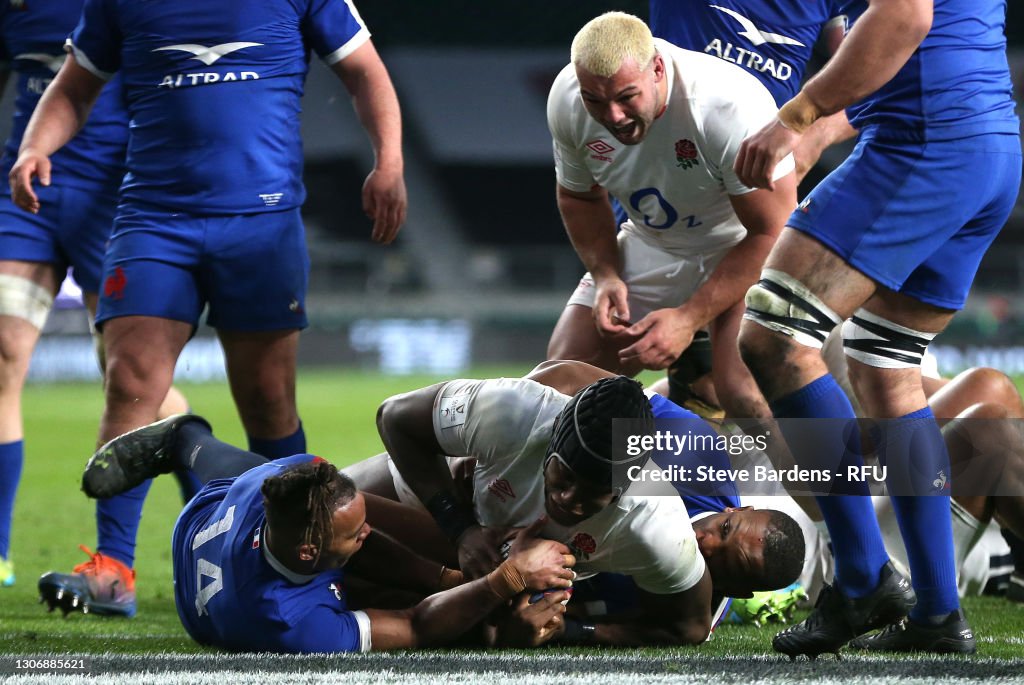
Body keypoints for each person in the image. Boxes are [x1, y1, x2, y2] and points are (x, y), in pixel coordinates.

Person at [10, 0, 406, 614]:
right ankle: (114, 570)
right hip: (151, 220)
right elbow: (72, 88)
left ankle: (294, 563)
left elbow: (366, 73)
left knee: (268, 401)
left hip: (261, 222)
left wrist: (389, 161)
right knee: (130, 382)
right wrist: (37, 146)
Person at [734, 0, 1020, 657]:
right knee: (885, 366)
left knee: (775, 333)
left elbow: (904, 17)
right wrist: (824, 123)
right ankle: (939, 613)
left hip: (924, 141)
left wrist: (795, 116)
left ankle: (862, 577)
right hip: (987, 144)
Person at [372, 368, 805, 646]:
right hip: (474, 486)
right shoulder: (697, 452)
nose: (705, 541)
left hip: (486, 560)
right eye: (724, 532)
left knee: (396, 593)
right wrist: (500, 449)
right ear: (734, 511)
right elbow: (573, 379)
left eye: (724, 564)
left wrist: (564, 628)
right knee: (324, 497)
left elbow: (557, 613)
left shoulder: (667, 559)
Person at [73, 415, 574, 652]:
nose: (368, 531)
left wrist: (448, 577)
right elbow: (417, 625)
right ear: (311, 550)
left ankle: (185, 438)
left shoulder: (282, 491)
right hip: (233, 588)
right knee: (479, 627)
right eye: (354, 534)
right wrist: (503, 581)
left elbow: (357, 533)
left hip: (215, 514)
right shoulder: (288, 622)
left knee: (262, 473)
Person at [0, 0, 195, 592]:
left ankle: (211, 500)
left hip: (113, 198)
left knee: (131, 377)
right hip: (25, 189)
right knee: (3, 352)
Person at [544, 12, 796, 454]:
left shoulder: (725, 106)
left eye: (626, 97)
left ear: (657, 68)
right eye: (595, 101)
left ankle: (820, 507)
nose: (613, 117)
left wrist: (687, 318)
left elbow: (771, 232)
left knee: (741, 392)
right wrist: (606, 275)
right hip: (652, 240)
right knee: (560, 380)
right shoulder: (566, 100)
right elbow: (580, 198)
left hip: (740, 244)